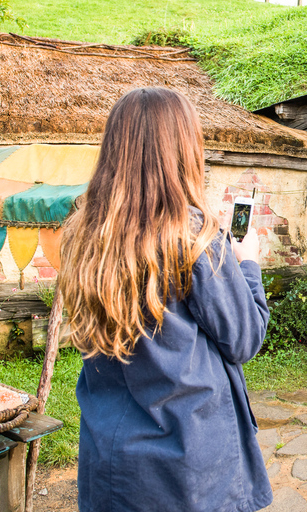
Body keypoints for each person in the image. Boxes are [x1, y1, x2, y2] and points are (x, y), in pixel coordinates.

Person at [58, 87, 273, 511]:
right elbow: (244, 337)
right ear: (182, 149)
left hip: (112, 456)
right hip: (190, 463)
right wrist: (247, 265)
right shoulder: (194, 235)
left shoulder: (84, 233)